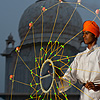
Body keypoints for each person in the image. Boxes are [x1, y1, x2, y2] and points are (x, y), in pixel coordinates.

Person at [57, 20, 100, 100]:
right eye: (83, 33)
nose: (84, 36)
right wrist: (57, 77)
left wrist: (97, 87)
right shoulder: (79, 57)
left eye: (87, 33)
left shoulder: (99, 53)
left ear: (94, 35)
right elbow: (69, 78)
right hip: (84, 95)